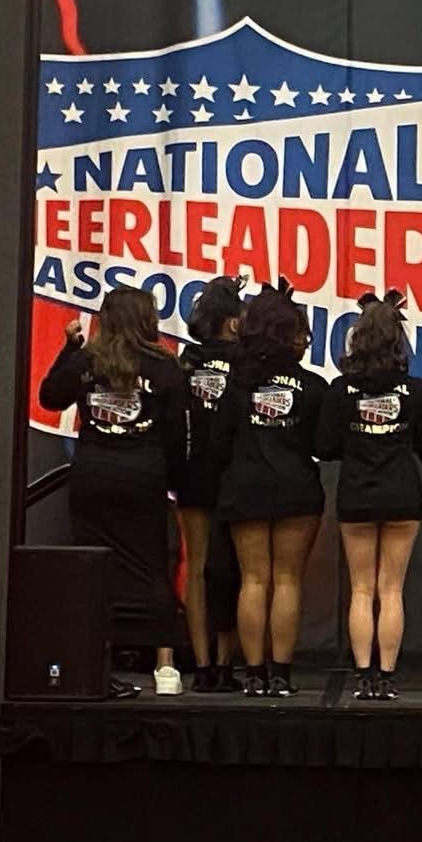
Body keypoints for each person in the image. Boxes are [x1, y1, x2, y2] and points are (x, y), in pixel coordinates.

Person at [38, 287, 188, 697]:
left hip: (93, 474)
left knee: (94, 568)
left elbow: (50, 396)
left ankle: (95, 663)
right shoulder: (165, 366)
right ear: (147, 319)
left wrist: (69, 349)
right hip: (144, 474)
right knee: (154, 564)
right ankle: (166, 667)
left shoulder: (88, 360)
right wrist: (172, 478)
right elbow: (176, 433)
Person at [212, 281, 327, 698]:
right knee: (288, 580)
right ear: (288, 335)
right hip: (296, 487)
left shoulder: (236, 385)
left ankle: (254, 675)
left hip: (245, 486)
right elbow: (323, 445)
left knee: (254, 580)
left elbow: (218, 443)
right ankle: (281, 675)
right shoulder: (313, 387)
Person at [316, 291, 422, 701]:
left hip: (358, 494)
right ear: (398, 341)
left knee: (362, 588)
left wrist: (356, 439)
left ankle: (363, 676)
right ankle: (387, 676)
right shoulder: (416, 390)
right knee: (391, 589)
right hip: (401, 492)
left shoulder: (340, 390)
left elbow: (324, 446)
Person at [178, 276, 245, 693]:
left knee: (198, 568)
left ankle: (201, 666)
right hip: (237, 472)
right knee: (239, 571)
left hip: (192, 469)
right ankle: (224, 664)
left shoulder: (186, 360)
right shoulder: (245, 362)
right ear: (234, 322)